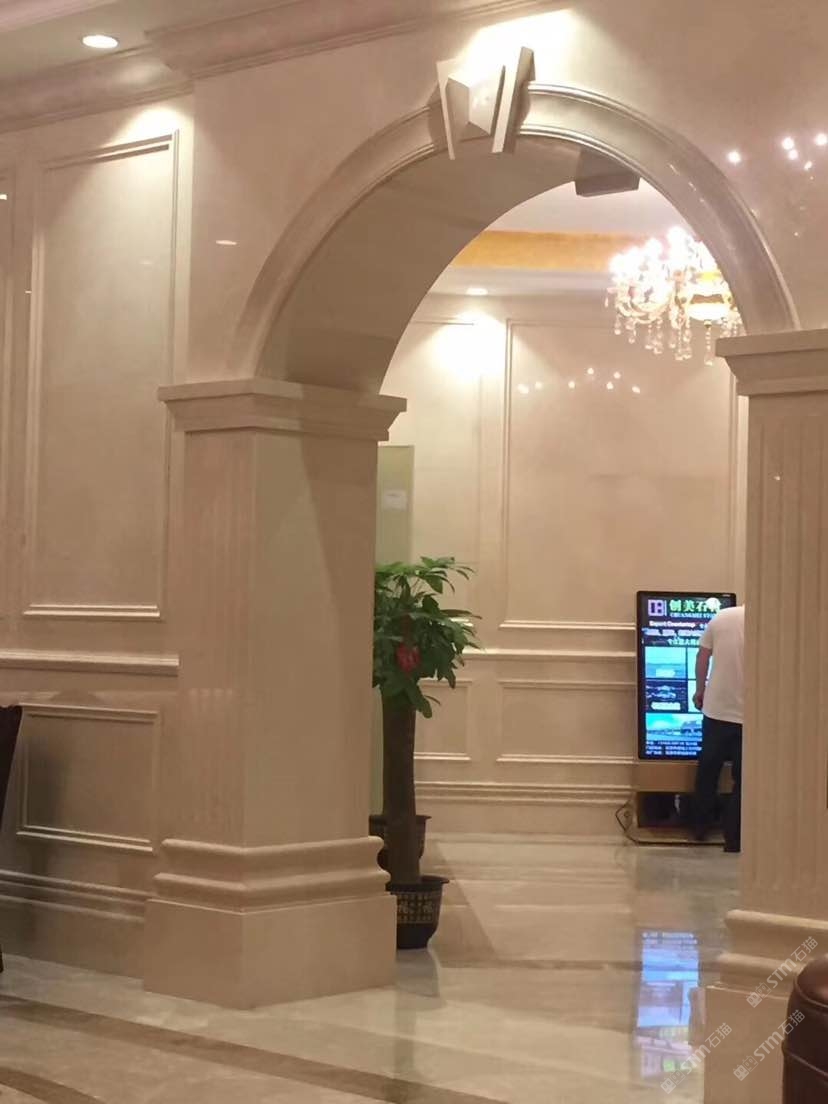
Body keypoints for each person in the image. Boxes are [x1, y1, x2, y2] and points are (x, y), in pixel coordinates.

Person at [691, 604, 745, 852]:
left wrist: (700, 690)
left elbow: (702, 657)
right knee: (743, 780)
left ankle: (699, 828)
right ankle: (734, 839)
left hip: (716, 711)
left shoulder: (721, 617)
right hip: (750, 715)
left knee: (708, 771)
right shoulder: (769, 622)